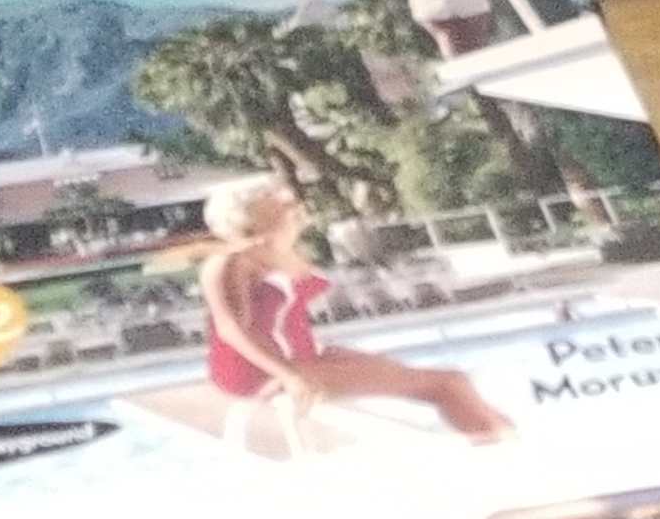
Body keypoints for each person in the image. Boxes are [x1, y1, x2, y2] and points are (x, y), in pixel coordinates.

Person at [194, 179, 511, 457]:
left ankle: (504, 441)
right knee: (446, 384)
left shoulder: (283, 251)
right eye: (270, 194)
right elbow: (232, 329)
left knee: (424, 375)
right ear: (253, 211)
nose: (285, 196)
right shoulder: (229, 262)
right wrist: (290, 376)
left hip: (300, 357)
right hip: (260, 372)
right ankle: (504, 453)